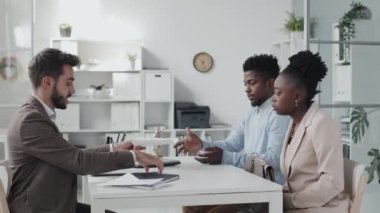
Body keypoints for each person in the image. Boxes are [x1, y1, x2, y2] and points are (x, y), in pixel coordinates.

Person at [6, 48, 164, 213]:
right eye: (68, 83)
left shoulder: (35, 114)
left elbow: (72, 155)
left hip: (52, 205)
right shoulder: (31, 121)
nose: (73, 90)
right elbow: (79, 161)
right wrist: (134, 156)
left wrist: (114, 148)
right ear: (47, 82)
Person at [174, 54, 290, 213]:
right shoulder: (253, 113)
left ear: (270, 83)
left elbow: (274, 160)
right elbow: (232, 144)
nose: (246, 89)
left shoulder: (278, 114)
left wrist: (226, 157)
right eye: (245, 84)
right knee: (190, 206)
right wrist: (202, 145)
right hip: (249, 188)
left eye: (252, 83)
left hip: (266, 196)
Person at [272, 50, 350, 212]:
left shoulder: (323, 123)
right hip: (298, 205)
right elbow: (295, 179)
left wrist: (287, 201)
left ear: (297, 95)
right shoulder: (294, 123)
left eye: (278, 93)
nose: (273, 98)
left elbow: (332, 183)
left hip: (323, 207)